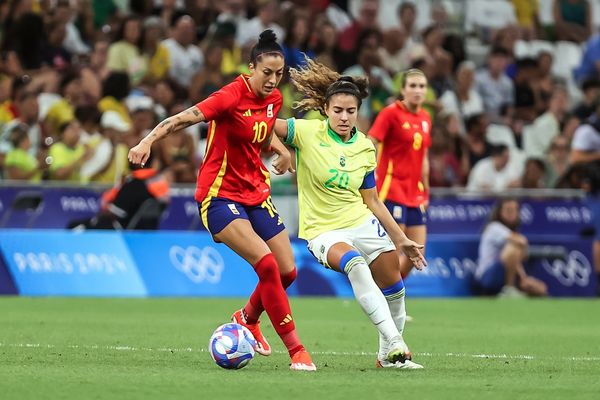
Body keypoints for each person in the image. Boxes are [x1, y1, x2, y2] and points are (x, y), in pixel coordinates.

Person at [128, 30, 316, 372]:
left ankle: (246, 318)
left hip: (256, 193)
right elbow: (182, 118)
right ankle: (297, 351)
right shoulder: (230, 95)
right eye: (267, 73)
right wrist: (148, 141)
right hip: (219, 197)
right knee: (267, 265)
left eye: (279, 74)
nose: (273, 80)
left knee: (287, 271)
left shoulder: (273, 101)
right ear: (250, 68)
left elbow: (263, 130)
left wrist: (282, 150)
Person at [272, 59, 427, 369]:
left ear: (359, 112)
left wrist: (402, 239)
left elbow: (372, 200)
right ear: (326, 109)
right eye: (338, 110)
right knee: (355, 265)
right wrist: (282, 149)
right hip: (324, 231)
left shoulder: (366, 148)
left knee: (395, 290)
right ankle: (395, 341)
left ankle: (388, 357)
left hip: (362, 223)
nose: (344, 117)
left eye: (351, 111)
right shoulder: (305, 132)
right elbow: (258, 124)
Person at [367, 68, 431, 279]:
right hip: (391, 188)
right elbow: (371, 141)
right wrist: (370, 174)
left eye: (421, 86)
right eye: (412, 86)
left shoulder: (425, 118)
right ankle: (387, 301)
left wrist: (426, 189)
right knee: (394, 249)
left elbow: (423, 156)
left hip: (415, 193)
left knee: (418, 253)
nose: (417, 90)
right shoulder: (390, 113)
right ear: (403, 89)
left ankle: (390, 293)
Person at [473, 198, 548, 297]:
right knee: (514, 246)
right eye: (508, 210)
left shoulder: (513, 232)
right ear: (500, 212)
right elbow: (521, 241)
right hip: (488, 276)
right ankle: (509, 289)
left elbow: (514, 260)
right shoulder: (494, 227)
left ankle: (512, 291)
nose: (511, 213)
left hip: (505, 275)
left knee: (541, 289)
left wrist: (523, 279)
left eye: (514, 210)